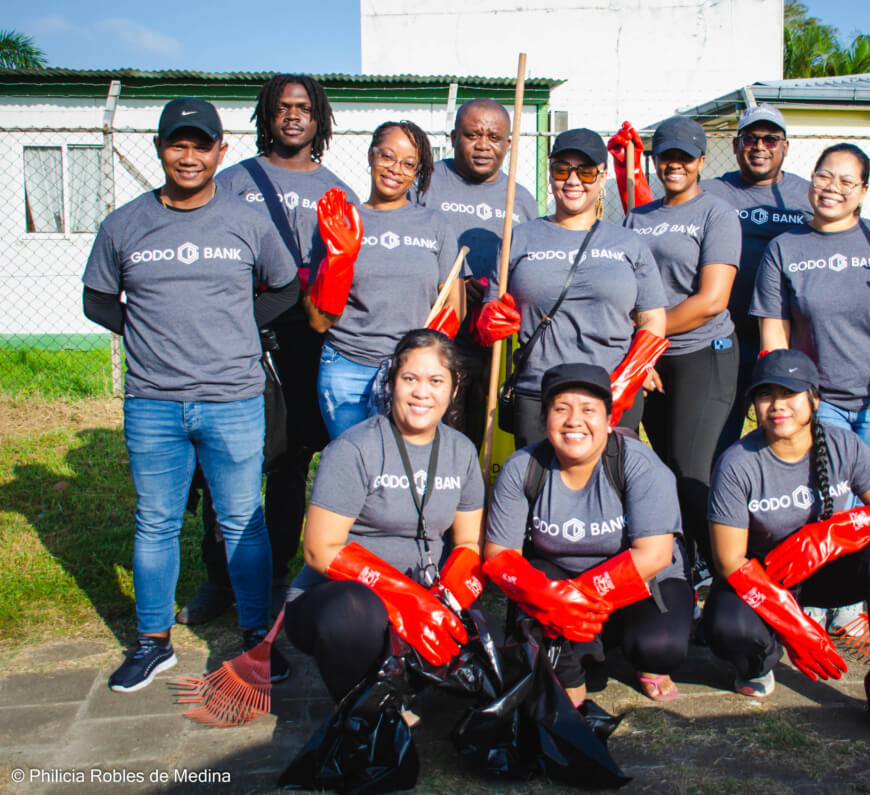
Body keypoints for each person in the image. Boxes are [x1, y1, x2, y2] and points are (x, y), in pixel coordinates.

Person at [82, 98, 298, 692]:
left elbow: (284, 285)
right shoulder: (124, 224)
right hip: (153, 402)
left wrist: (238, 323)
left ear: (219, 152)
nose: (189, 155)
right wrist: (150, 331)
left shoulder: (246, 221)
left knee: (242, 522)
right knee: (155, 522)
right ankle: (153, 644)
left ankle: (257, 641)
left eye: (201, 145)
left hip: (233, 399)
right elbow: (97, 299)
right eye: (178, 144)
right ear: (159, 149)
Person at [178, 74, 357, 626]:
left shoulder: (339, 189)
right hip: (238, 340)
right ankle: (220, 578)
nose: (293, 116)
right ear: (266, 115)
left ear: (319, 118)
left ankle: (275, 571)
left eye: (304, 108)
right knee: (225, 462)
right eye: (282, 108)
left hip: (307, 343)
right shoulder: (232, 183)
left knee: (289, 461)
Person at [702, 349, 870, 747]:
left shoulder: (843, 445)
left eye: (789, 393)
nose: (777, 406)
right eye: (766, 395)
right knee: (726, 626)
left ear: (814, 399)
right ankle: (760, 661)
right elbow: (729, 561)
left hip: (828, 570)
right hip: (765, 580)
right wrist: (795, 625)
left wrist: (833, 533)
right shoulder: (737, 463)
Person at [752, 143, 870, 634]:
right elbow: (774, 331)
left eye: (845, 181)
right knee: (822, 497)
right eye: (823, 176)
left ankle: (852, 598)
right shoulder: (784, 249)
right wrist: (783, 394)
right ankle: (814, 588)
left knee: (865, 501)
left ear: (863, 192)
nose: (831, 188)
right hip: (821, 399)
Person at [284, 329, 486, 701]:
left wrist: (447, 602)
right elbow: (319, 549)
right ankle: (361, 713)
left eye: (435, 381)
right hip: (345, 600)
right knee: (352, 614)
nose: (422, 392)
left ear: (454, 388)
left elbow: (470, 542)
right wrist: (406, 596)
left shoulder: (462, 451)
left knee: (487, 643)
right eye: (410, 379)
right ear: (391, 382)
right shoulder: (353, 449)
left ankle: (408, 681)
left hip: (429, 594)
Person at [483, 363, 692, 704]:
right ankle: (571, 674)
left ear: (610, 420)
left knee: (659, 647)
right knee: (533, 622)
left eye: (589, 410)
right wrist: (550, 597)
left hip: (638, 581)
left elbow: (654, 555)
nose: (574, 420)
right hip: (559, 578)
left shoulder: (640, 465)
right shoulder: (523, 467)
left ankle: (634, 656)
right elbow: (499, 554)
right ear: (544, 419)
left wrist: (574, 600)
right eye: (561, 409)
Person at [474, 128, 667, 448]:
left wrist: (632, 375)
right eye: (562, 169)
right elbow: (490, 308)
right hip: (538, 393)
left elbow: (653, 319)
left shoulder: (628, 243)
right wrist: (489, 319)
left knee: (608, 491)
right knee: (540, 491)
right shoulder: (518, 238)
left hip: (611, 393)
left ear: (603, 175)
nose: (573, 180)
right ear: (551, 175)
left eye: (586, 171)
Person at [624, 116, 741, 576]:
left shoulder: (716, 213)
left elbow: (711, 300)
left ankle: (723, 573)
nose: (673, 164)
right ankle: (683, 564)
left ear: (700, 161)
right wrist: (641, 351)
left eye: (684, 157)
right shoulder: (638, 217)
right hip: (650, 358)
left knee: (690, 469)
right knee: (660, 467)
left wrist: (646, 339)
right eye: (665, 155)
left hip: (701, 353)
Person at [305, 120, 458, 439]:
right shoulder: (342, 222)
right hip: (347, 365)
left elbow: (455, 304)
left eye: (408, 164)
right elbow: (318, 321)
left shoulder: (435, 224)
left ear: (418, 171)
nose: (395, 169)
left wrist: (426, 359)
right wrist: (338, 262)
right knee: (352, 466)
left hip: (413, 373)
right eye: (387, 156)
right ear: (371, 155)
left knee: (408, 469)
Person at [413, 99, 539, 446]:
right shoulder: (426, 183)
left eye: (494, 137)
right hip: (434, 323)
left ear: (508, 144)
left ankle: (470, 494)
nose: (483, 145)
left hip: (490, 332)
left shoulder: (522, 199)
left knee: (477, 424)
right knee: (432, 420)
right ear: (454, 136)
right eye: (472, 135)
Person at [701, 104, 813, 456]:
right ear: (736, 146)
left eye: (770, 138)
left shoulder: (808, 196)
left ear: (785, 146)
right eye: (750, 138)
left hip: (786, 334)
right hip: (724, 334)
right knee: (718, 434)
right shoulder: (709, 192)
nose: (760, 146)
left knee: (784, 432)